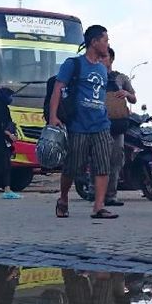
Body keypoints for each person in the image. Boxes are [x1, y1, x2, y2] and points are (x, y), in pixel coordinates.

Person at [49, 25, 117, 219]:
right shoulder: (73, 64)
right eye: (105, 40)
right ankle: (63, 199)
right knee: (72, 166)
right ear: (94, 42)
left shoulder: (102, 69)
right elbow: (57, 90)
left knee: (104, 164)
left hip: (101, 125)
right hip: (78, 125)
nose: (107, 44)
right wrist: (53, 116)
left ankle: (98, 206)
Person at [103, 48, 137, 207]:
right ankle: (95, 192)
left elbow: (134, 98)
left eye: (105, 57)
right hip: (98, 124)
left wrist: (126, 93)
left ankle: (111, 195)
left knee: (116, 159)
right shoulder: (92, 77)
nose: (102, 60)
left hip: (117, 124)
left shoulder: (121, 78)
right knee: (98, 159)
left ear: (111, 60)